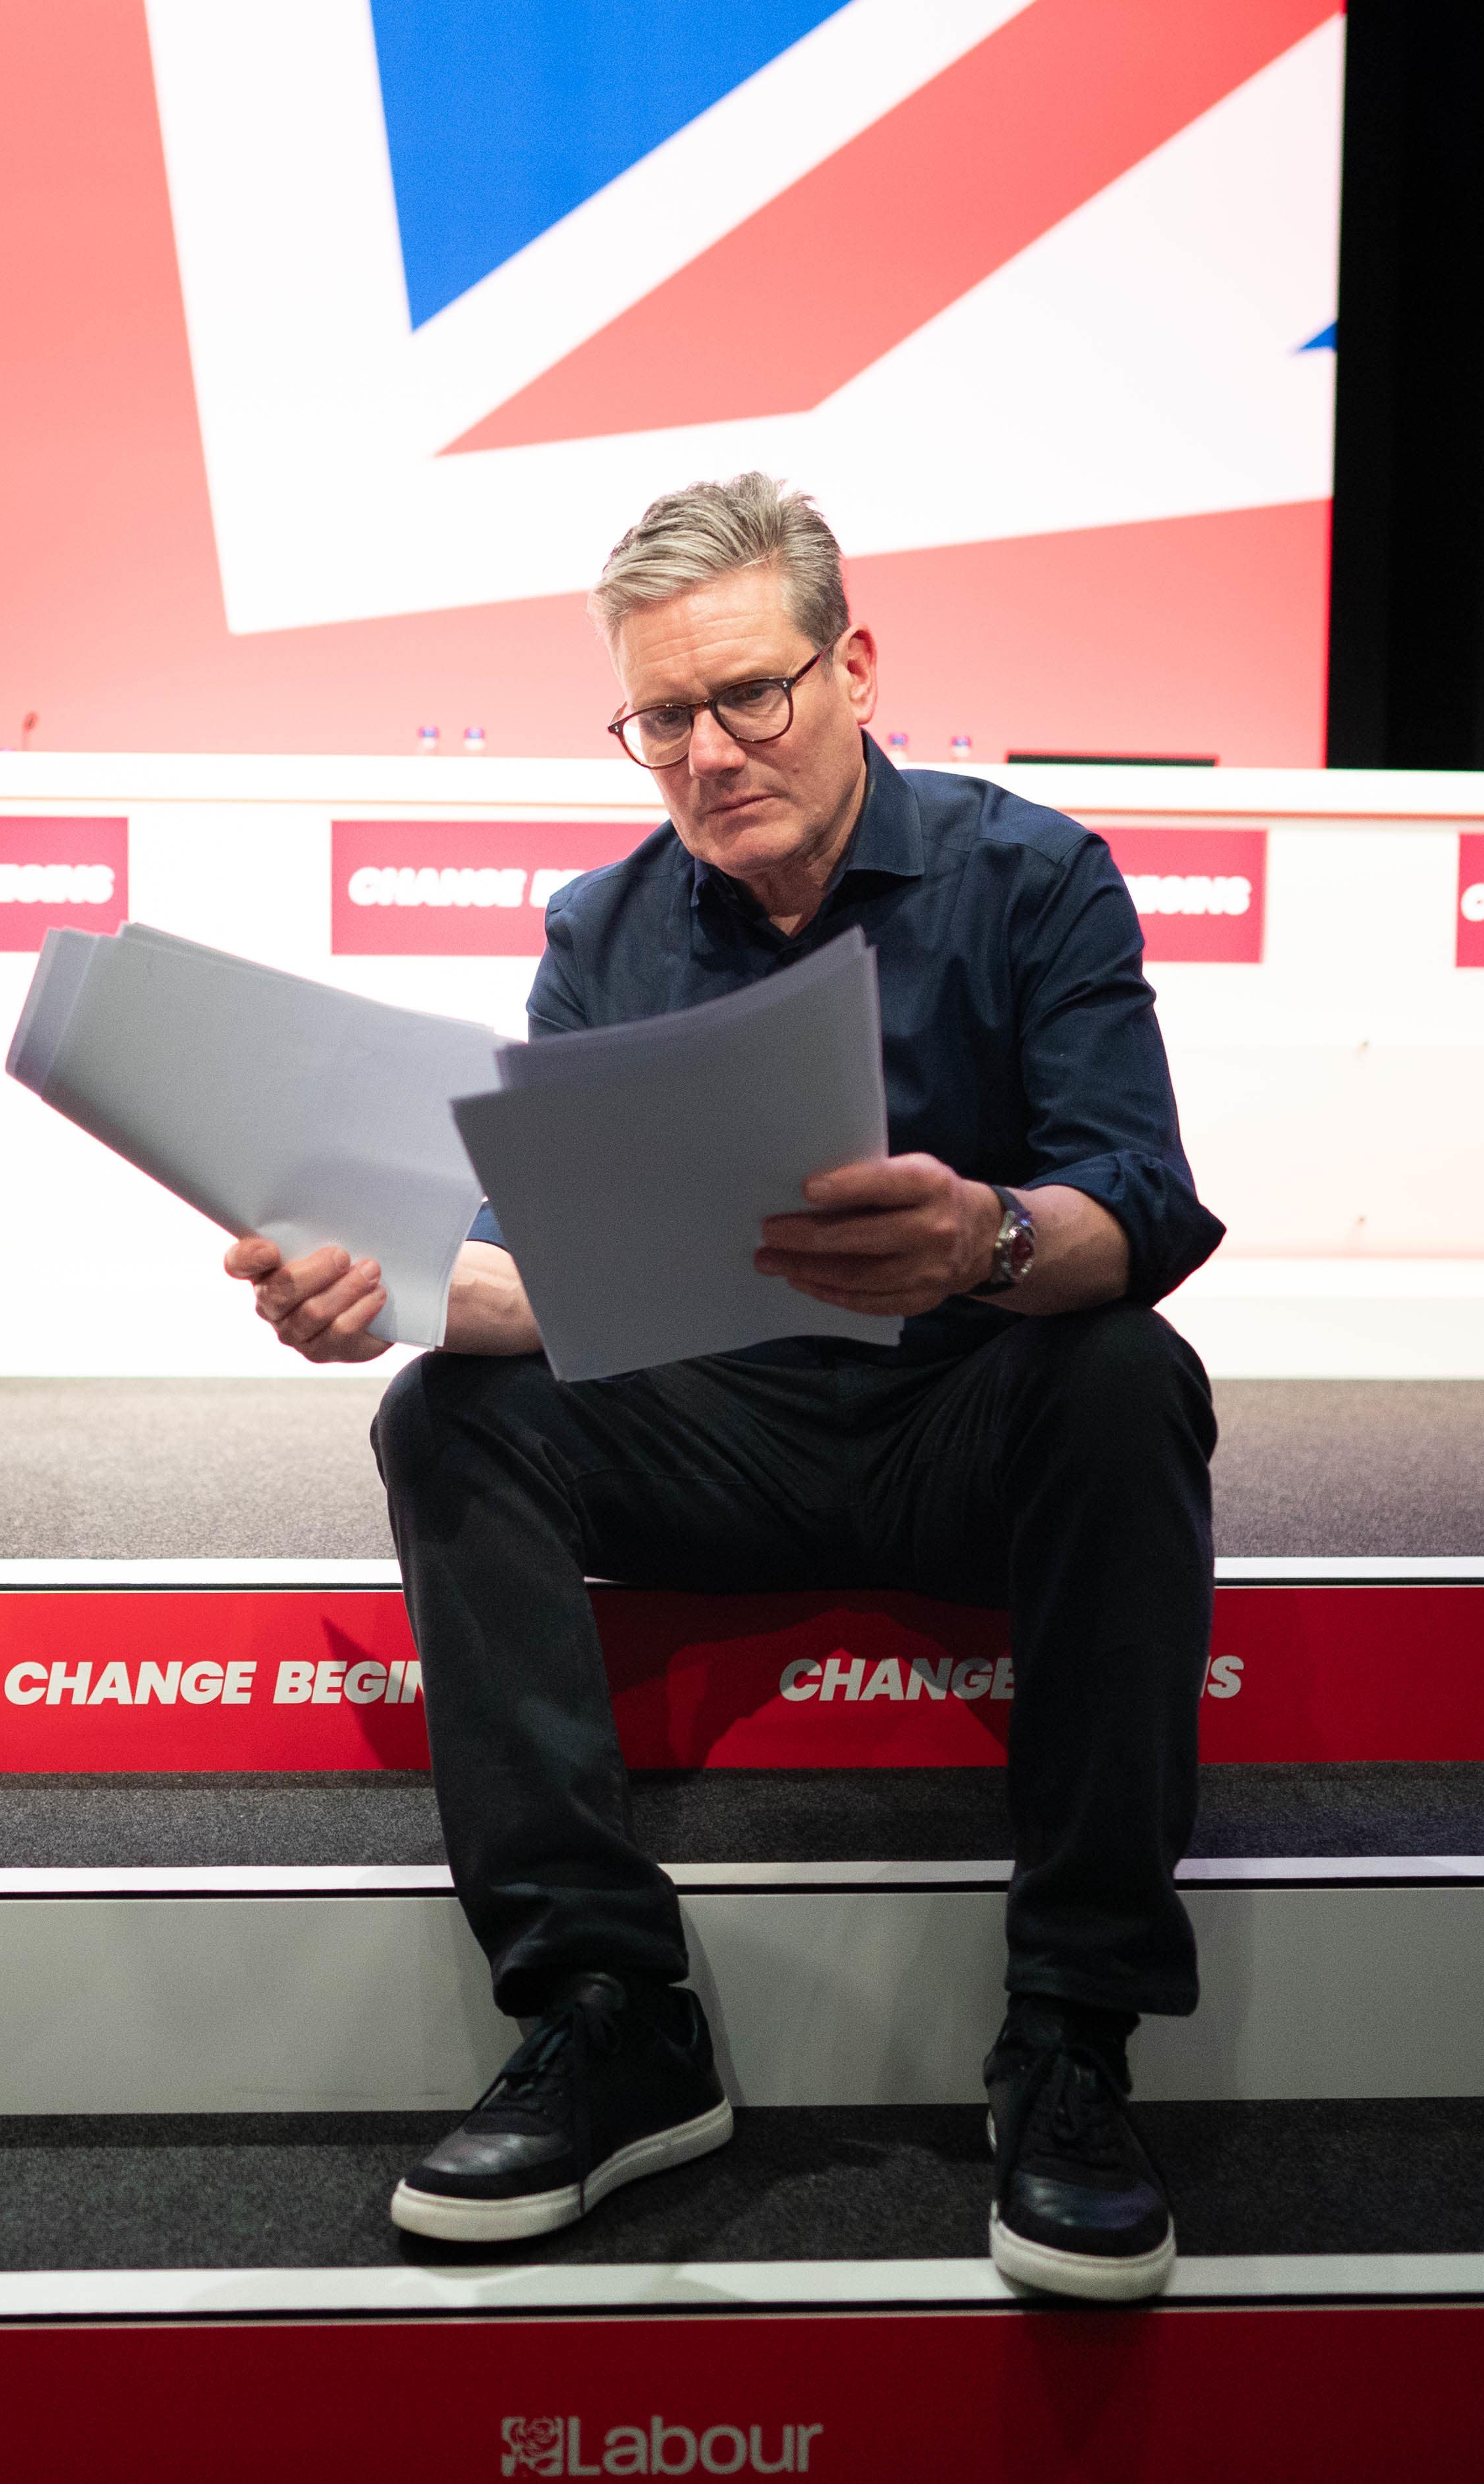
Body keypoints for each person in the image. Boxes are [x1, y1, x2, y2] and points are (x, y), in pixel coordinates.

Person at [222, 474, 1223, 2302]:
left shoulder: (1031, 878)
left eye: (747, 694)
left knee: (1125, 1376)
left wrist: (988, 1241)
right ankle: (610, 2012)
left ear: (851, 666)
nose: (707, 750)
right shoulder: (601, 934)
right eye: (660, 718)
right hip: (713, 1422)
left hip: (963, 1418)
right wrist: (395, 1299)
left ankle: (1071, 2035)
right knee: (441, 1411)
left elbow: (1141, 1204)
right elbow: (547, 1269)